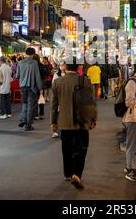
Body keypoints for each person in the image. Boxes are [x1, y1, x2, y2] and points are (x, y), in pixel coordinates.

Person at [50, 61, 97, 189]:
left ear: (65, 67)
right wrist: (93, 119)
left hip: (65, 122)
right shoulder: (85, 81)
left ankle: (68, 174)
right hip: (82, 122)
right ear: (78, 67)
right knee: (81, 149)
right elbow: (91, 102)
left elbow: (54, 106)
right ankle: (77, 174)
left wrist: (53, 122)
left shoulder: (57, 82)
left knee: (66, 149)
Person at [17, 47, 42, 131]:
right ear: (33, 54)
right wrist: (40, 88)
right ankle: (28, 125)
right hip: (31, 87)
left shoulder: (20, 63)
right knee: (31, 106)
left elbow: (17, 76)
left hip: (22, 87)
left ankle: (23, 119)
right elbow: (37, 76)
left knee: (24, 103)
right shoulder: (34, 62)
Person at [51, 62, 67, 138]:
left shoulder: (69, 74)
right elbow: (53, 86)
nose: (62, 67)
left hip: (66, 97)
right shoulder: (56, 74)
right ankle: (55, 131)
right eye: (61, 65)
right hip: (58, 96)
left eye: (63, 65)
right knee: (56, 113)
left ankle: (63, 130)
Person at [33, 54, 46, 121]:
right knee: (41, 99)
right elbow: (44, 75)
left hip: (34, 85)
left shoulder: (33, 66)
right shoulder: (41, 65)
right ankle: (41, 114)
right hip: (41, 84)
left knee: (35, 100)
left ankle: (35, 115)